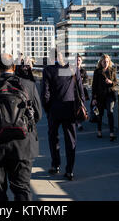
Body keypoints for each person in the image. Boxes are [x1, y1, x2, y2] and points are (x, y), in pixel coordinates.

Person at [0, 53, 42, 201]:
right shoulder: (29, 85)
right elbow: (38, 115)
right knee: (22, 189)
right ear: (14, 66)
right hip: (23, 144)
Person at [42, 50, 85, 181]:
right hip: (70, 109)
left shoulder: (48, 71)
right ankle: (70, 170)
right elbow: (81, 90)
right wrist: (81, 107)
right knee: (70, 140)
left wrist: (48, 109)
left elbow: (45, 93)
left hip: (54, 110)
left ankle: (56, 165)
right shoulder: (74, 69)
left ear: (52, 58)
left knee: (53, 138)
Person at [91, 54, 117, 141]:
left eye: (107, 61)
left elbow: (115, 82)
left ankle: (111, 133)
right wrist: (94, 98)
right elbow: (94, 85)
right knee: (99, 114)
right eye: (104, 62)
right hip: (99, 96)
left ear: (109, 62)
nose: (105, 63)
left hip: (110, 94)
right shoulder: (97, 71)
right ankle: (99, 131)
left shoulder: (112, 70)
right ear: (101, 62)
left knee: (110, 112)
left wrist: (111, 82)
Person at [75, 55, 89, 131]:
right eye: (76, 60)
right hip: (74, 92)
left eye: (79, 60)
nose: (78, 62)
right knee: (76, 107)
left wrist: (81, 82)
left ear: (81, 61)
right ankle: (78, 123)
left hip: (82, 91)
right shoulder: (72, 70)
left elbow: (86, 80)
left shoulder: (83, 71)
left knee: (81, 106)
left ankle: (79, 121)